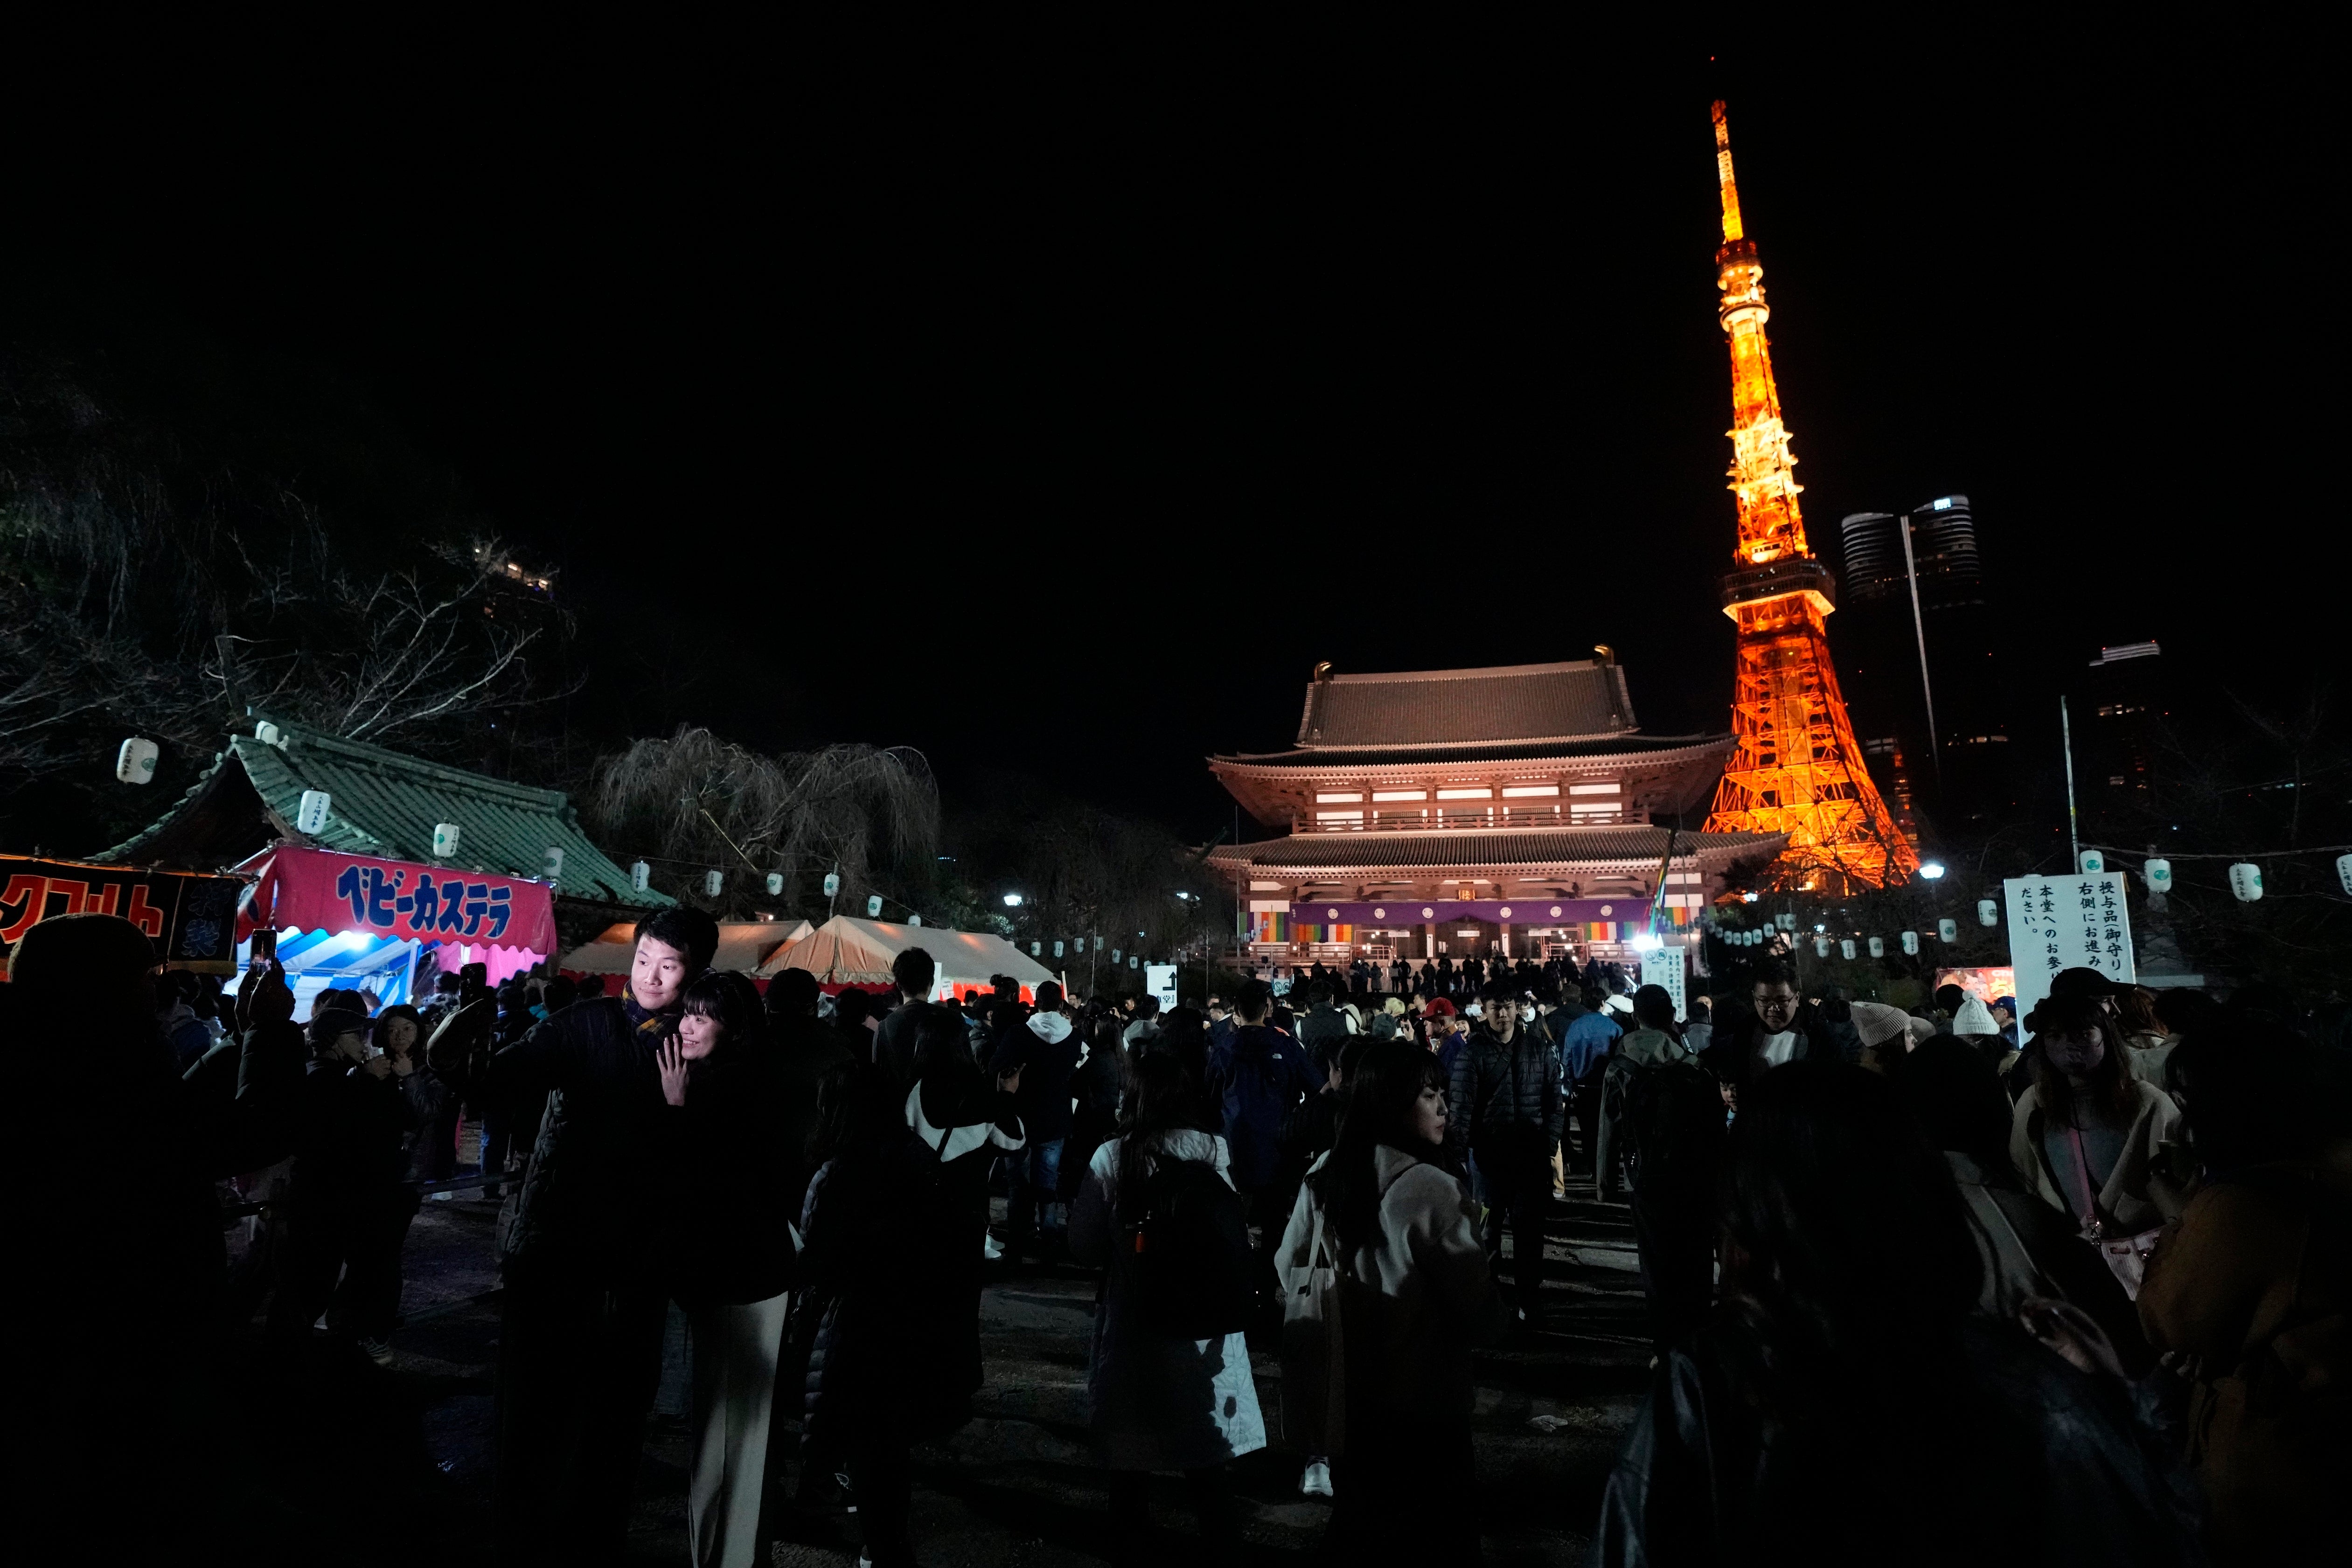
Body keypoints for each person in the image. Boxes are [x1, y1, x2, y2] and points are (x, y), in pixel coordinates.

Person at [1594, 1060, 2202, 1567]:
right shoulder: (2026, 1377)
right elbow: (2152, 1535)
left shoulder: (1709, 1381)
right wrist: (2123, 1402)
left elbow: (1640, 1537)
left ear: (1748, 1201)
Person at [478, 905, 720, 1566]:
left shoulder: (702, 1048)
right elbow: (510, 1073)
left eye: (669, 966)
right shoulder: (585, 1024)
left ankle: (593, 1537)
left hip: (636, 1265)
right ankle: (518, 1534)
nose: (649, 976)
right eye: (643, 960)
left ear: (695, 973)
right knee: (533, 1409)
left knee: (613, 1421)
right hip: (556, 1248)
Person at [1279, 1039, 1507, 1562]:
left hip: (1347, 1399)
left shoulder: (1325, 1174)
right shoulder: (1433, 1190)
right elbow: (1483, 1315)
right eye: (1430, 1095)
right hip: (1426, 1410)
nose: (1444, 1107)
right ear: (1394, 1103)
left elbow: (1284, 1265)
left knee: (1360, 1530)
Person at [2138, 1022, 2349, 1564]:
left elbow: (2172, 1321)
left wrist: (2181, 1213)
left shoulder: (2241, 1205)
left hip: (2279, 1468)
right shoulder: (2328, 1168)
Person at [1069, 1052, 1262, 1548]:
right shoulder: (1212, 1149)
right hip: (1206, 1326)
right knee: (1206, 1461)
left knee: (1130, 1459)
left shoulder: (1113, 1156)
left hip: (1136, 1323)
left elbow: (1083, 1245)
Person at [798, 1060, 978, 1568]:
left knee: (864, 1448)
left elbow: (816, 1264)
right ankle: (884, 1545)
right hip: (916, 1326)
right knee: (889, 1455)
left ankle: (881, 1546)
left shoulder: (837, 1173)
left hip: (857, 1332)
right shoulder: (917, 1158)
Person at [655, 971, 799, 1568]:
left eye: (703, 1016)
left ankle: (721, 1556)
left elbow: (705, 1184)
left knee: (724, 1431)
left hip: (741, 1274)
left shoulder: (733, 1091)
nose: (687, 1025)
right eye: (686, 1012)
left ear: (732, 1026)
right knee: (739, 1429)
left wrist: (675, 1109)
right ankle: (731, 1551)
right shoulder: (742, 1079)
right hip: (752, 1273)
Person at [270, 1005, 414, 1357]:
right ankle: (282, 1363)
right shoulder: (326, 1078)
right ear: (336, 1040)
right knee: (311, 1282)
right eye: (357, 1035)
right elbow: (340, 1133)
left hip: (326, 1198)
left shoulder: (331, 1074)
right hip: (324, 1200)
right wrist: (366, 1082)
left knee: (313, 1282)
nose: (366, 1041)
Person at [2007, 988, 2183, 1243]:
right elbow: (2025, 1177)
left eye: (2084, 1033)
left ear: (2106, 1037)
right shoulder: (2035, 1104)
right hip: (2069, 1251)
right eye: (2055, 1036)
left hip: (2140, 1247)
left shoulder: (2147, 1102)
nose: (2070, 1045)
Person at [1447, 981, 1563, 1325]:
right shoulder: (1472, 1054)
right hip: (1488, 1159)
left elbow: (1554, 1104)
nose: (1503, 1013)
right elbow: (1461, 1110)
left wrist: (1549, 1145)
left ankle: (1529, 1299)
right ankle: (1490, 1300)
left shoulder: (1539, 1049)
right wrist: (1458, 1157)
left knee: (1530, 1233)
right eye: (1496, 1006)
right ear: (1483, 1010)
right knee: (1486, 1234)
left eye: (1509, 1005)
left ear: (1519, 1008)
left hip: (1529, 1157)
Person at [1205, 978, 1324, 1263]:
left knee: (1234, 1222)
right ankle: (1272, 1285)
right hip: (1278, 1148)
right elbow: (1317, 1090)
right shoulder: (1287, 1045)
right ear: (1267, 1007)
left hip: (1234, 1149)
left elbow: (1208, 1102)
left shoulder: (1224, 1049)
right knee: (1275, 1224)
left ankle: (1238, 1283)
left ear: (1236, 1010)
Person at [988, 980, 1082, 1264]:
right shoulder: (1074, 1037)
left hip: (1021, 1118)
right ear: (1061, 1003)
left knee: (1019, 1183)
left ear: (1036, 1001)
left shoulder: (1019, 1034)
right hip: (1056, 1117)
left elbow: (996, 1067)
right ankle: (1050, 1234)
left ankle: (1019, 1237)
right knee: (1048, 1181)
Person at [1699, 960, 1859, 1097]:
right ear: (1755, 999)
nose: (1773, 1008)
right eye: (1764, 1000)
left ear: (1796, 998)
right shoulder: (1745, 1033)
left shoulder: (1820, 1035)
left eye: (1782, 1001)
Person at [870, 945, 939, 1083]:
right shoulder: (952, 1021)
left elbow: (877, 1075)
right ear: (931, 983)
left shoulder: (884, 1027)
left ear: (899, 985)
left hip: (896, 1103)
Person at [1296, 978, 1354, 1075]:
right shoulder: (1346, 1019)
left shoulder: (1301, 1024)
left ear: (1312, 1000)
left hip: (1314, 1077)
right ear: (1331, 998)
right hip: (1340, 1075)